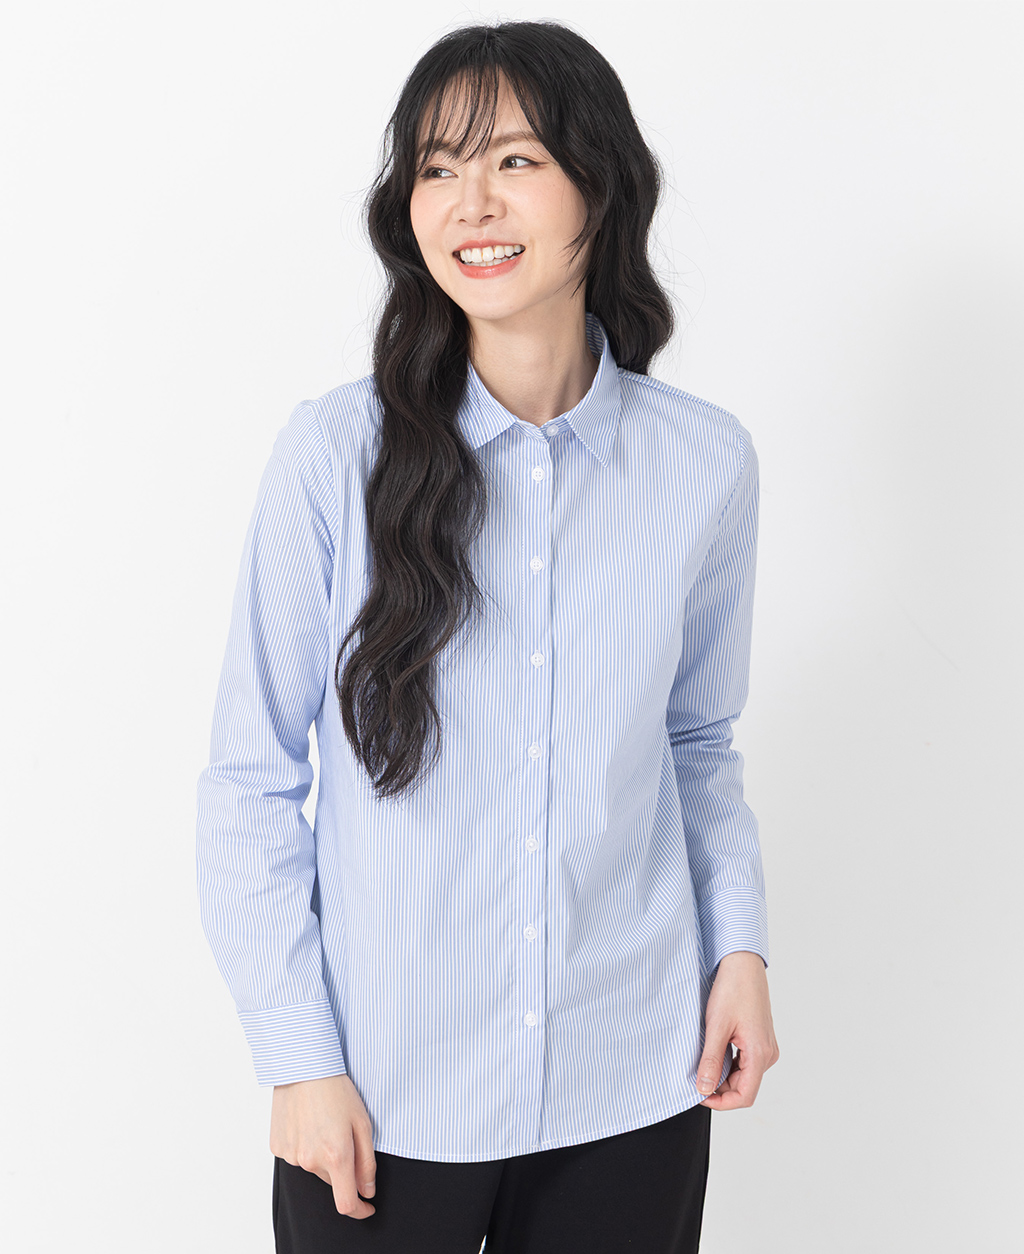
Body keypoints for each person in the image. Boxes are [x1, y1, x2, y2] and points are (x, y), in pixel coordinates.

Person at [196, 18, 779, 1254]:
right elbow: (251, 780)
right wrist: (297, 1056)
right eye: (436, 167)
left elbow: (696, 744)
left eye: (515, 160)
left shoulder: (703, 465)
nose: (470, 202)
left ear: (598, 187)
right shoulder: (332, 457)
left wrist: (738, 949)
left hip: (633, 1082)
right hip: (380, 1100)